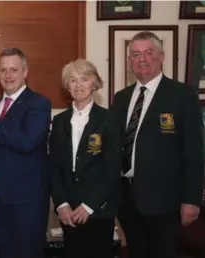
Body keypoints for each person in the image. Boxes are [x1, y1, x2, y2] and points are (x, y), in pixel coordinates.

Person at [110, 31, 205, 258]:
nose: (142, 59)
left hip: (165, 202)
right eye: (135, 54)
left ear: (161, 56)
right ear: (129, 61)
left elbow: (194, 152)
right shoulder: (121, 98)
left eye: (148, 52)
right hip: (127, 199)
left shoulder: (182, 95)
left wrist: (192, 200)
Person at [0, 48, 51, 258]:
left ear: (25, 72)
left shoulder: (38, 104)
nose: (8, 76)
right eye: (3, 70)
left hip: (27, 202)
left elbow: (27, 142)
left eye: (13, 70)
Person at [49, 59, 121, 258]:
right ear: (67, 85)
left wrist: (88, 206)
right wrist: (61, 204)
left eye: (84, 79)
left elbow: (112, 168)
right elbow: (53, 166)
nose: (78, 85)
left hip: (98, 209)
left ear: (94, 83)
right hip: (68, 212)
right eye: (73, 80)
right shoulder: (59, 121)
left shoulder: (109, 119)